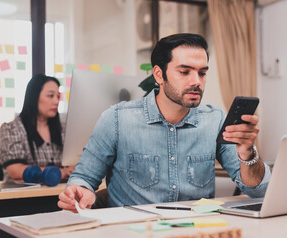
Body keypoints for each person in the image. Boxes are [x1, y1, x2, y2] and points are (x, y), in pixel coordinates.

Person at [58, 33, 271, 212]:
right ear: (159, 75)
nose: (196, 81)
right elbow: (83, 178)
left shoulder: (214, 119)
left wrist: (247, 153)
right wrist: (80, 191)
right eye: (185, 71)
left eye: (202, 73)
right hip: (134, 232)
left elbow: (258, 191)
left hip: (196, 230)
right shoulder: (117, 119)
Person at [0, 74, 74, 181]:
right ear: (34, 97)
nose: (56, 101)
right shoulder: (11, 129)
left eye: (58, 96)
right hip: (24, 195)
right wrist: (60, 172)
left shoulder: (64, 129)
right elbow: (15, 170)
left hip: (60, 193)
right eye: (50, 96)